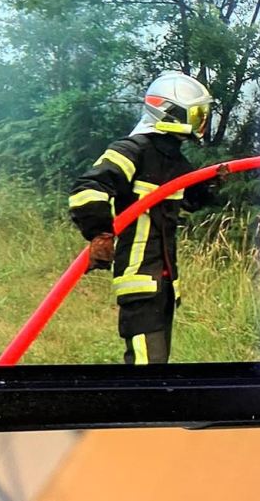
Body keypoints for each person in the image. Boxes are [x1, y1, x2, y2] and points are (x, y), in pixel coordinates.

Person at [68, 71, 213, 364]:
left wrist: (208, 184)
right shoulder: (132, 150)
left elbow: (184, 202)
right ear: (172, 111)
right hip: (139, 280)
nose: (201, 121)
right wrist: (100, 234)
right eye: (196, 114)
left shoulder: (175, 161)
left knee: (156, 365)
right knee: (147, 368)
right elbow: (87, 190)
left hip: (165, 284)